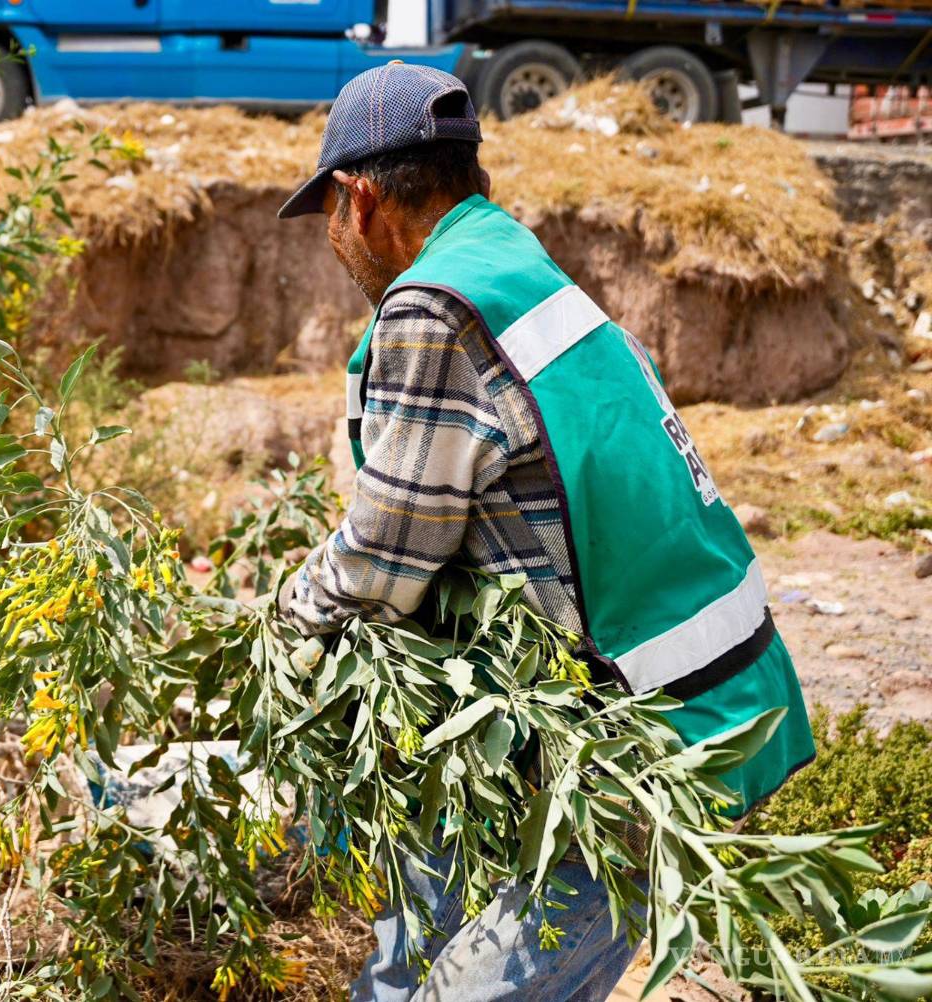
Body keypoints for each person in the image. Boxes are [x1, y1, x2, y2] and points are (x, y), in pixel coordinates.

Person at [275, 63, 814, 1002]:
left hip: (642, 750)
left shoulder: (432, 309)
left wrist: (277, 633)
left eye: (325, 212)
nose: (332, 238)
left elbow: (379, 566)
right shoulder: (516, 265)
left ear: (358, 200)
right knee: (412, 936)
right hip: (722, 695)